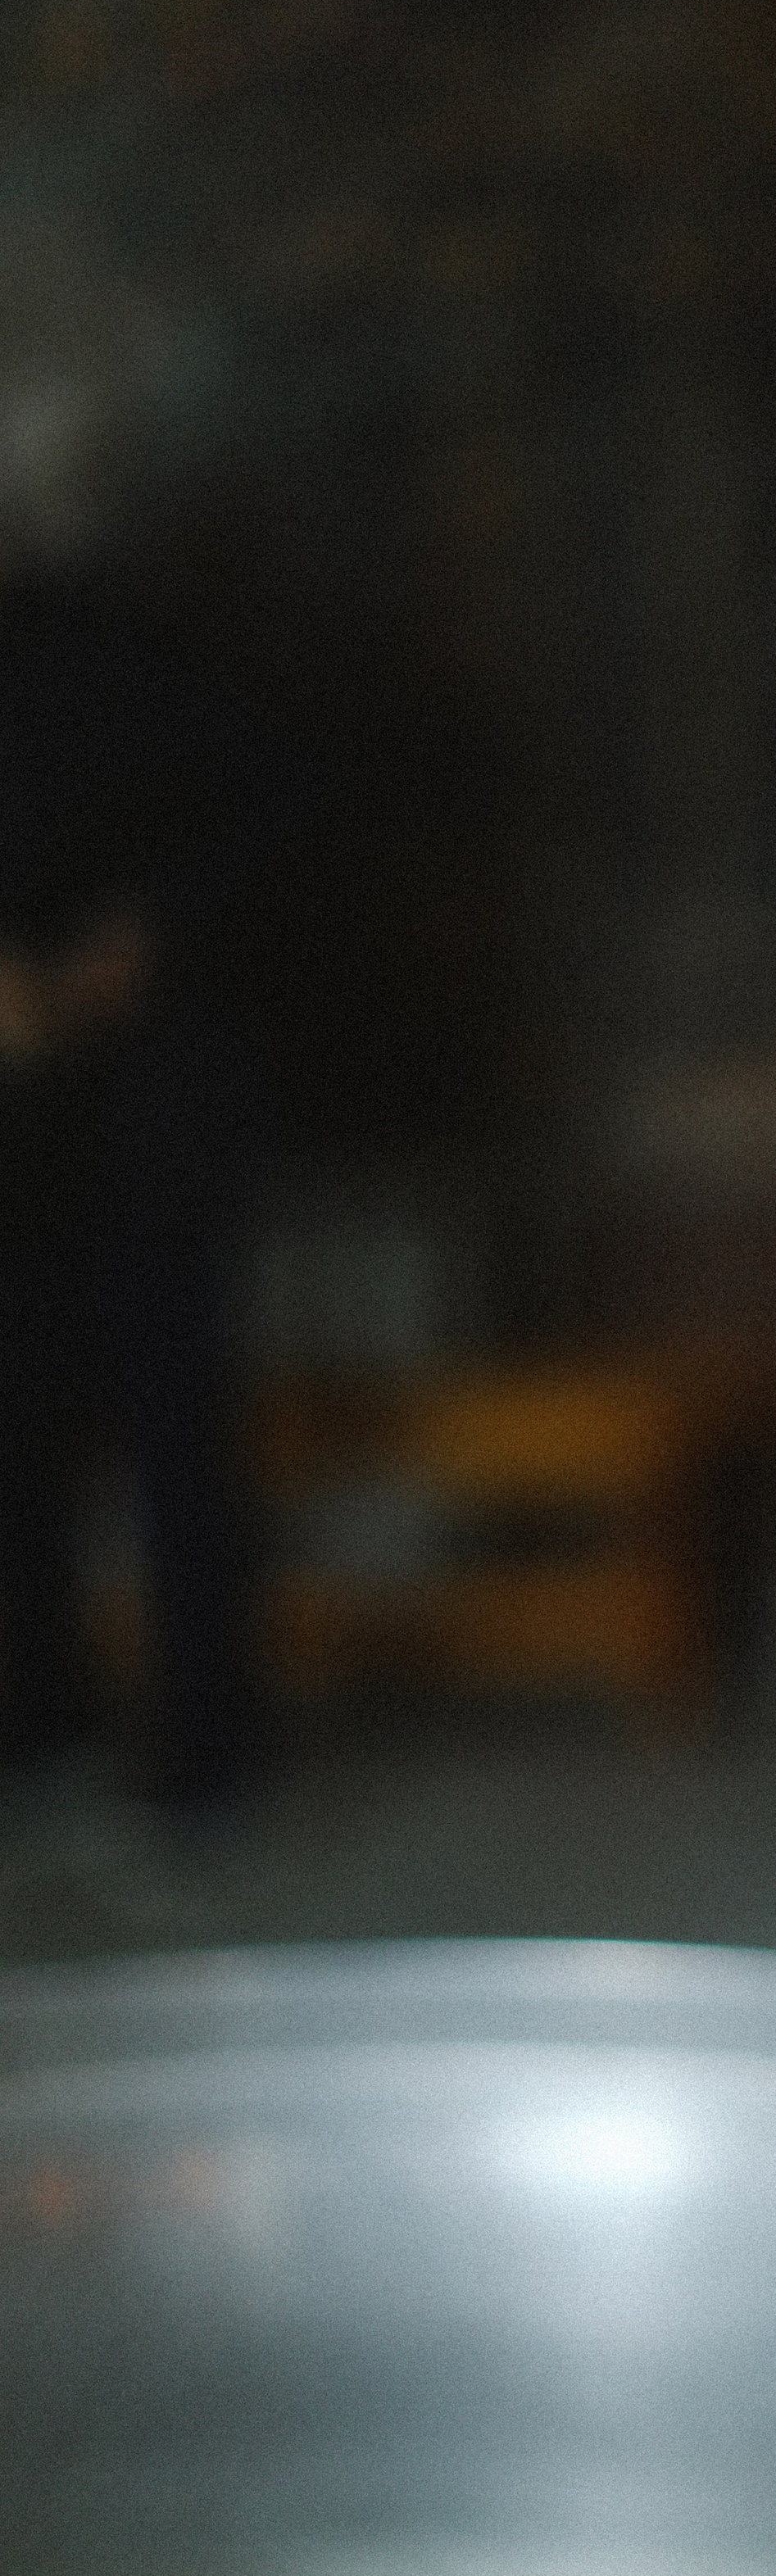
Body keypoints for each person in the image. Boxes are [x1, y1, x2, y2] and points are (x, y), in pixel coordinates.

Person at [0, 564, 264, 1811]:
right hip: (19, 1124)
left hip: (148, 1110)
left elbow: (246, 824)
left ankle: (207, 1757)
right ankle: (39, 1732)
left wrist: (130, 948)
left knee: (176, 1430)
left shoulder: (115, 660)